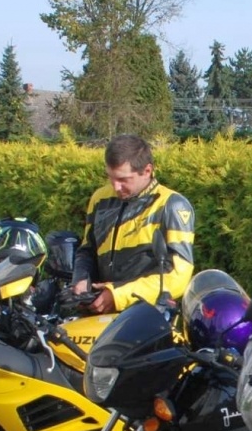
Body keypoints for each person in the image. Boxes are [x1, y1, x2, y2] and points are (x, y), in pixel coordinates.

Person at [71, 135, 195, 315]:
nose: (116, 187)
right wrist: (82, 280)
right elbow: (88, 249)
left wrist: (118, 295)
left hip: (149, 315)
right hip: (100, 310)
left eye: (123, 179)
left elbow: (178, 275)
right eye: (110, 178)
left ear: (147, 170)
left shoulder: (172, 205)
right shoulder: (100, 199)